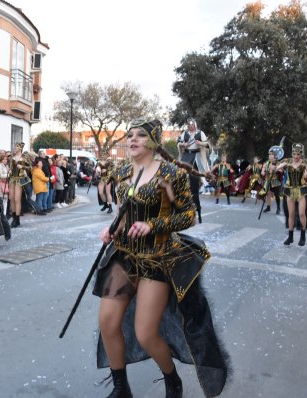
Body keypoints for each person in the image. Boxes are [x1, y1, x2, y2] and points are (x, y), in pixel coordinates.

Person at [93, 119, 228, 398]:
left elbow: (189, 214)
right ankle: (121, 388)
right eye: (130, 135)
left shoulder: (170, 174)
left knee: (145, 333)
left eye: (141, 135)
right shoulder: (122, 172)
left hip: (158, 257)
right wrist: (111, 230)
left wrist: (153, 225)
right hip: (125, 255)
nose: (132, 139)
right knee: (107, 322)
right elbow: (122, 214)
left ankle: (171, 378)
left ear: (153, 141)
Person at [276, 143, 307, 246]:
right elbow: (279, 166)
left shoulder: (305, 163)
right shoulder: (287, 161)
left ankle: (303, 236)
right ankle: (290, 237)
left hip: (301, 190)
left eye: (298, 154)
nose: (296, 156)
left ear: (301, 154)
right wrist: (277, 168)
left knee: (301, 214)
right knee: (290, 214)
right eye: (294, 154)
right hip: (290, 190)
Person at [177, 119, 209, 223]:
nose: (190, 126)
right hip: (186, 156)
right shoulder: (185, 134)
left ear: (195, 125)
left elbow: (207, 144)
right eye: (189, 125)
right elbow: (179, 143)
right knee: (179, 175)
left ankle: (198, 211)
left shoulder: (200, 133)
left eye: (192, 125)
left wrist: (200, 143)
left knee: (194, 188)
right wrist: (183, 145)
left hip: (196, 157)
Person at [9, 143, 31, 227]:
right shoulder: (12, 157)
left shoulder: (24, 157)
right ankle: (14, 216)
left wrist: (22, 167)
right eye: (15, 147)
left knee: (17, 199)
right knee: (11, 198)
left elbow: (30, 167)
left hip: (19, 179)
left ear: (20, 148)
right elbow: (11, 167)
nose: (15, 148)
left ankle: (17, 219)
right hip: (12, 179)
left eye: (17, 147)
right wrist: (10, 170)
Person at [259, 148, 283, 214]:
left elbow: (281, 171)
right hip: (267, 180)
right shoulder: (266, 163)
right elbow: (262, 172)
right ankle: (268, 207)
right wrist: (263, 172)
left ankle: (278, 208)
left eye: (272, 155)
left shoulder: (278, 163)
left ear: (275, 156)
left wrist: (275, 168)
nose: (270, 156)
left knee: (277, 195)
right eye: (269, 155)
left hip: (275, 181)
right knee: (268, 194)